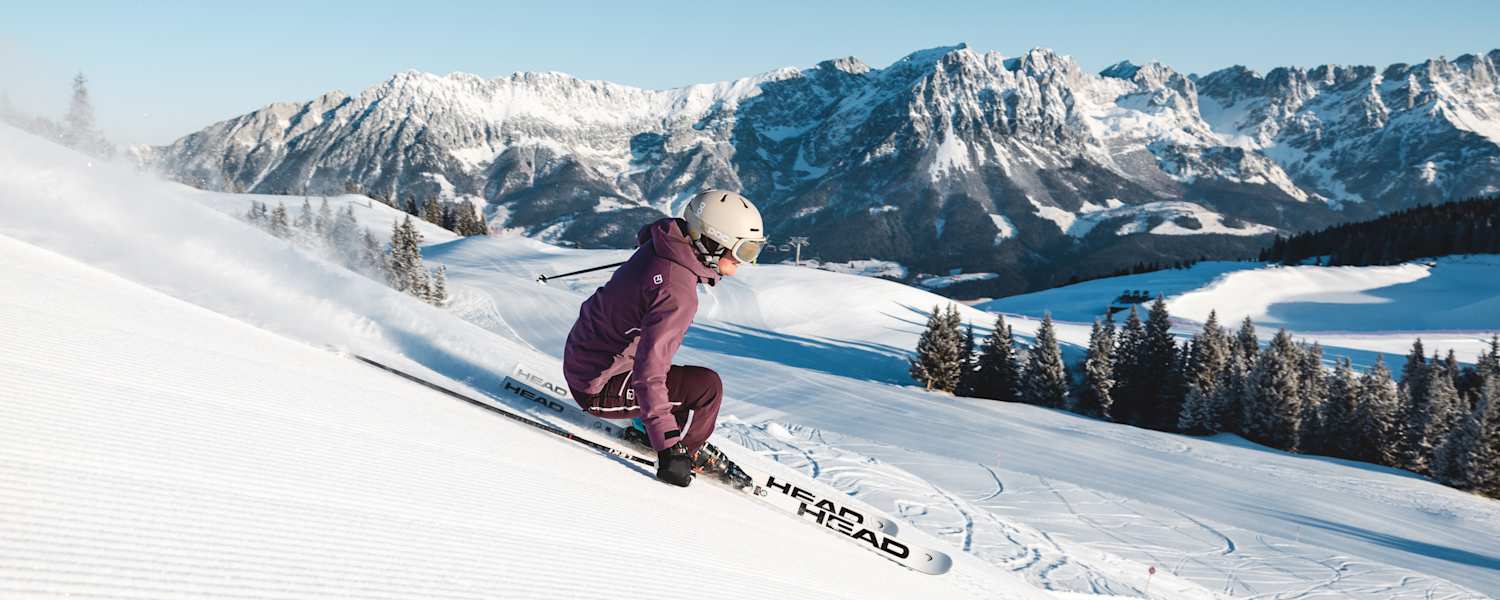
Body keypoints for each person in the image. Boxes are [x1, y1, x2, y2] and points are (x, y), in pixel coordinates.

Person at [562, 189, 767, 487]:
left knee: (685, 380)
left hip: (588, 357)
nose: (744, 262)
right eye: (743, 251)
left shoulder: (663, 245)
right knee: (706, 390)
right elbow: (649, 374)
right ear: (712, 241)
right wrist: (669, 448)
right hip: (597, 386)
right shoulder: (676, 292)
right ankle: (684, 449)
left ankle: (654, 426)